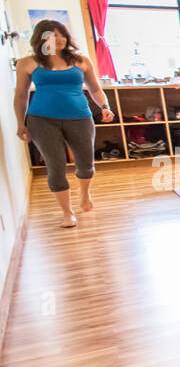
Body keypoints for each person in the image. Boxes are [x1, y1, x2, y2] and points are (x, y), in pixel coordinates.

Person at [14, 20, 114, 227]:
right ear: (41, 38)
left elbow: (95, 89)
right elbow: (21, 95)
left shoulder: (81, 61)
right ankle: (67, 212)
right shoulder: (27, 63)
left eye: (61, 34)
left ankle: (84, 195)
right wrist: (20, 123)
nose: (57, 39)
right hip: (41, 120)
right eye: (51, 35)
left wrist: (105, 107)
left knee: (86, 165)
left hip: (80, 118)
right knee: (55, 165)